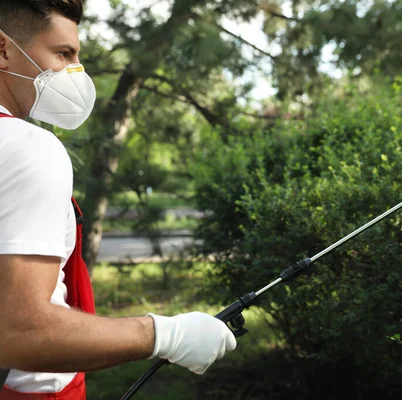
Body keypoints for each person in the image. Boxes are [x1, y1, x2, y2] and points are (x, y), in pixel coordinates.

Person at [0, 1, 236, 399]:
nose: (76, 73)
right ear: (4, 49)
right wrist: (165, 334)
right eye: (63, 54)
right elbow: (20, 331)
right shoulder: (28, 148)